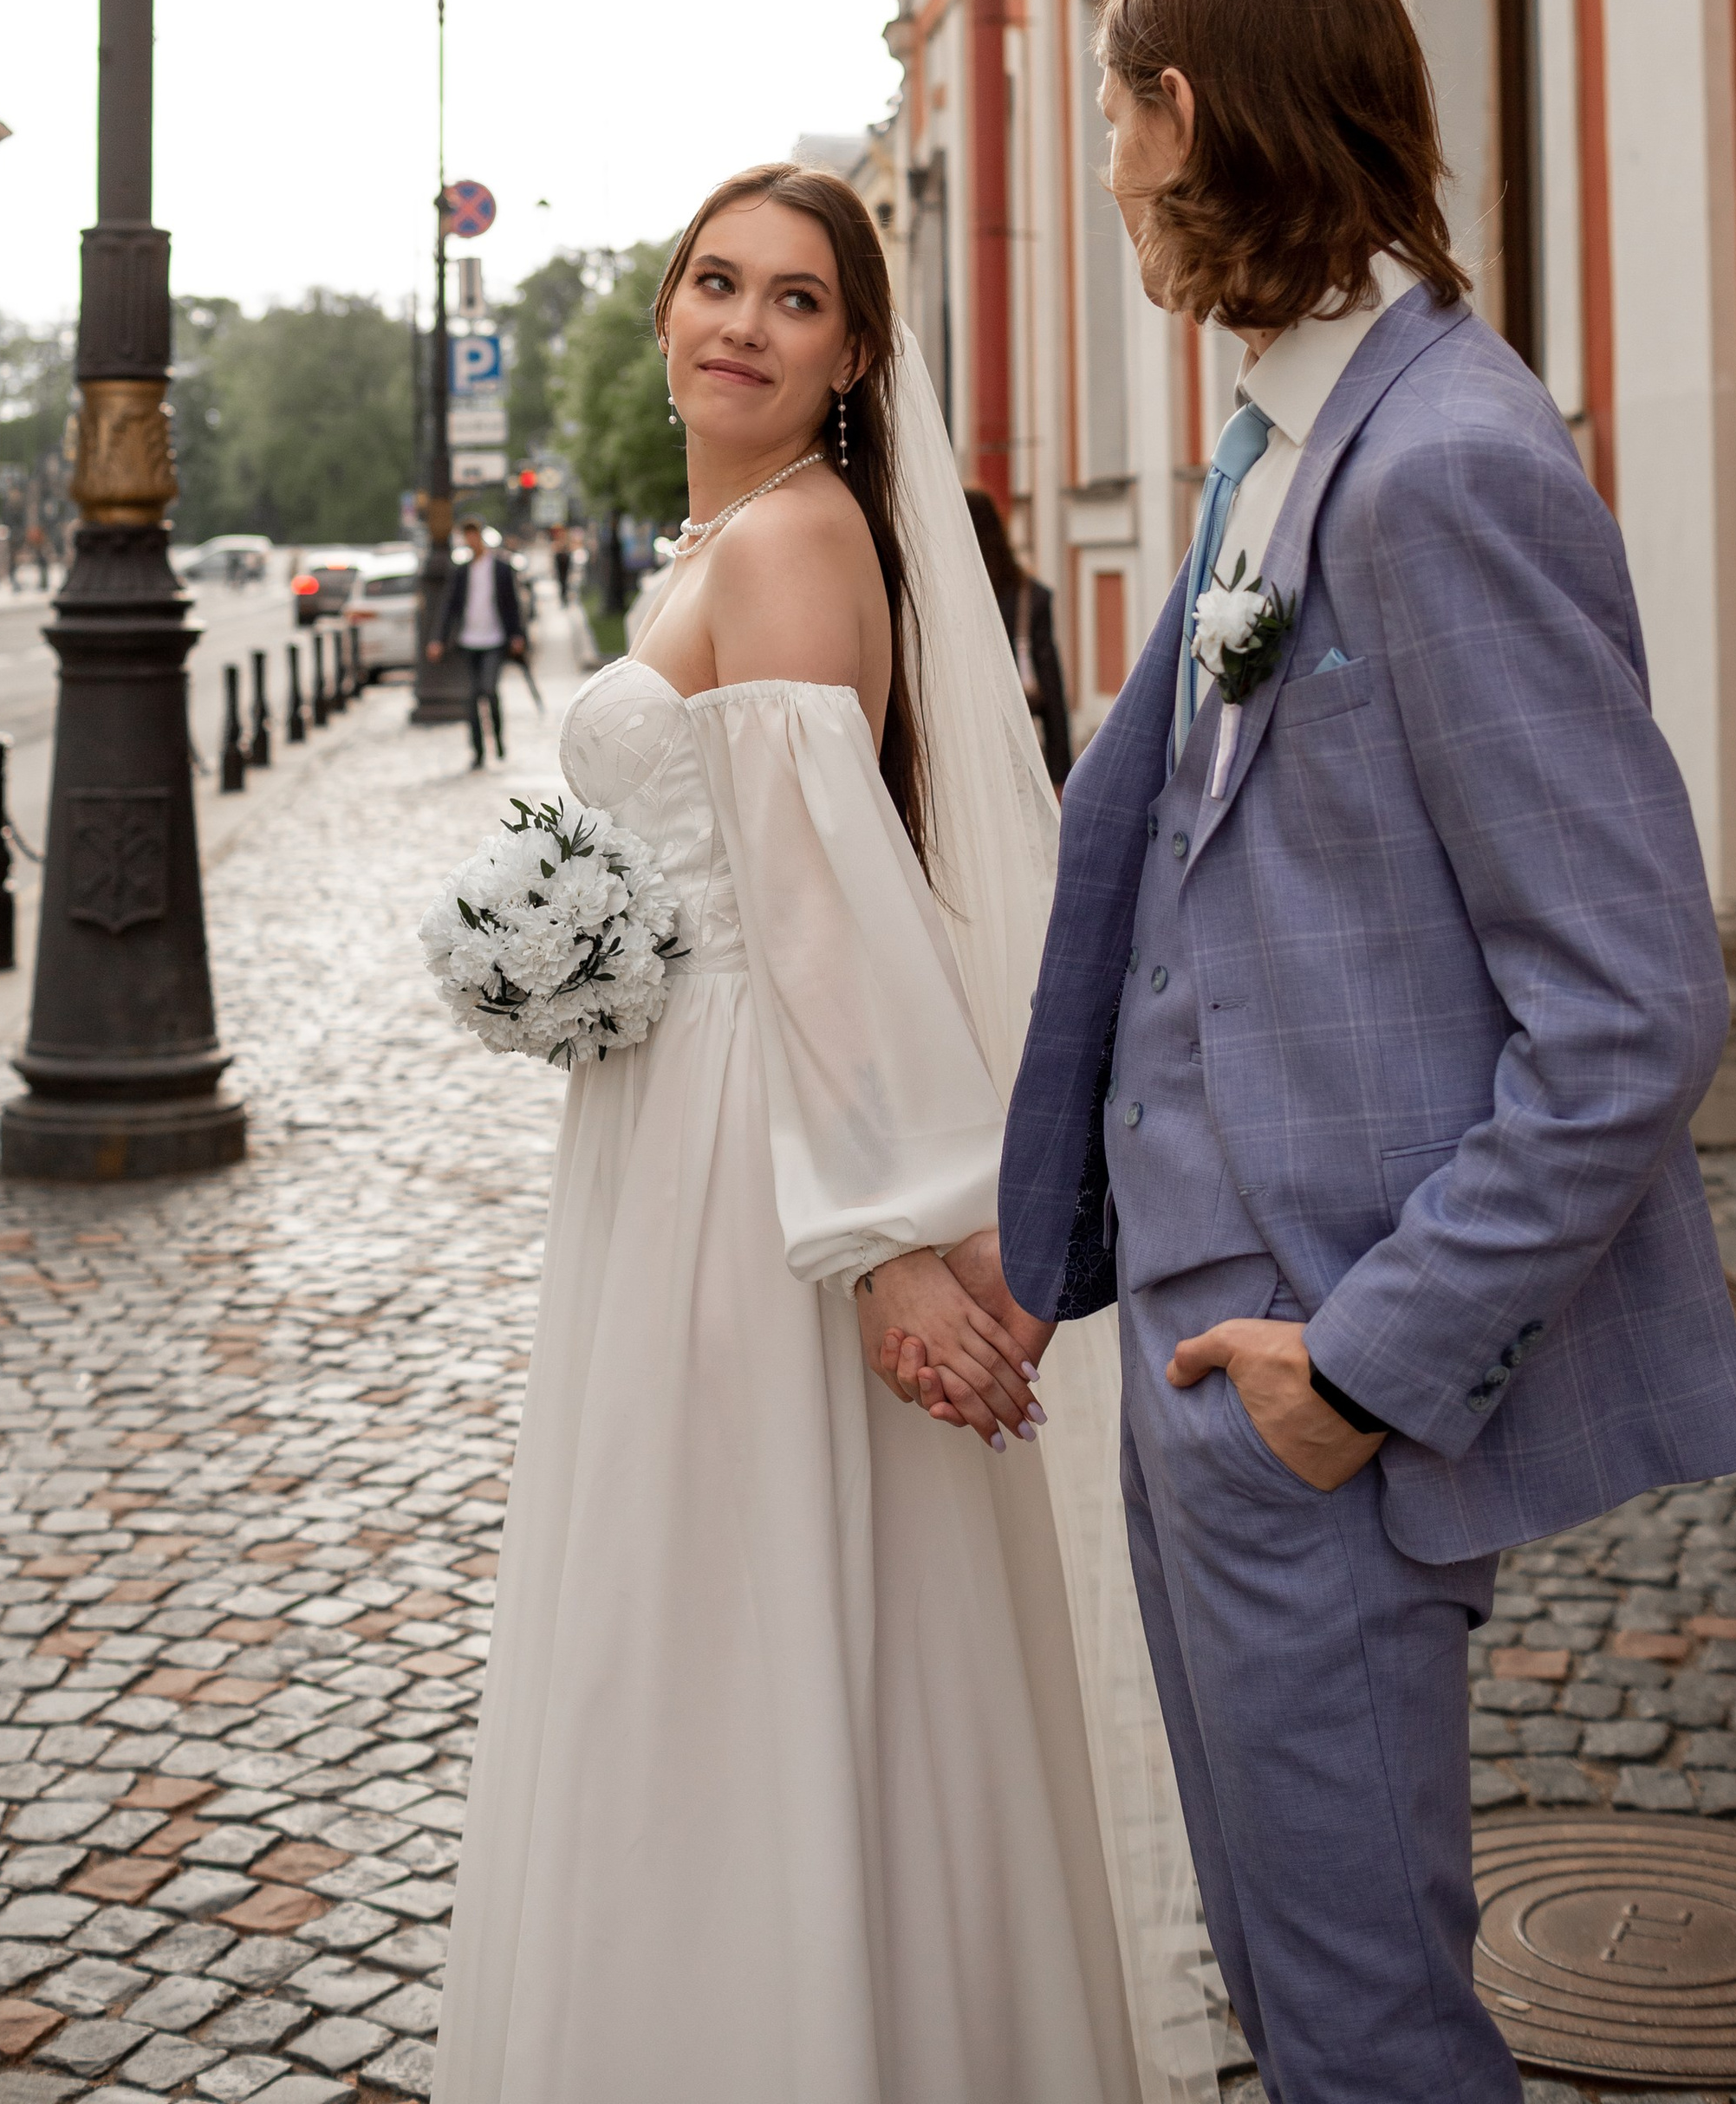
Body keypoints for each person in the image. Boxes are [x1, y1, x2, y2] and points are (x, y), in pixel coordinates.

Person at [972, 0, 1736, 2104]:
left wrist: (1366, 1367)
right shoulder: (1281, 436)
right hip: (1200, 1339)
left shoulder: (1444, 464)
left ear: (1185, 110)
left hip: (1314, 1368)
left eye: (1116, 113)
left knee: (1367, 2027)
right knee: (1277, 1976)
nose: (1110, 180)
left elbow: (1624, 1009)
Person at [433, 165, 1214, 2104]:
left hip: (754, 1167)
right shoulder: (724, 535)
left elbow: (820, 920)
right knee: (695, 1626)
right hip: (678, 1128)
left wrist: (879, 1244)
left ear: (856, 353)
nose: (740, 324)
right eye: (713, 283)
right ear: (663, 313)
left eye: (794, 301)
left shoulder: (789, 544)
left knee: (730, 1632)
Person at [966, 484, 1073, 789]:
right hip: (1018, 757)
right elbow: (1052, 693)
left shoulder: (940, 598)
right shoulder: (1030, 595)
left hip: (963, 750)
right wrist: (1059, 777)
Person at [426, 523, 528, 770]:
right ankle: (478, 751)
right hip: (469, 641)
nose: (471, 541)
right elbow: (449, 607)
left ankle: (499, 740)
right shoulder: (461, 572)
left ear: (481, 537)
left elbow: (512, 604)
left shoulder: (501, 568)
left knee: (489, 690)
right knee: (472, 697)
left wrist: (517, 635)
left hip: (494, 639)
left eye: (474, 536)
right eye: (466, 537)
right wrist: (438, 639)